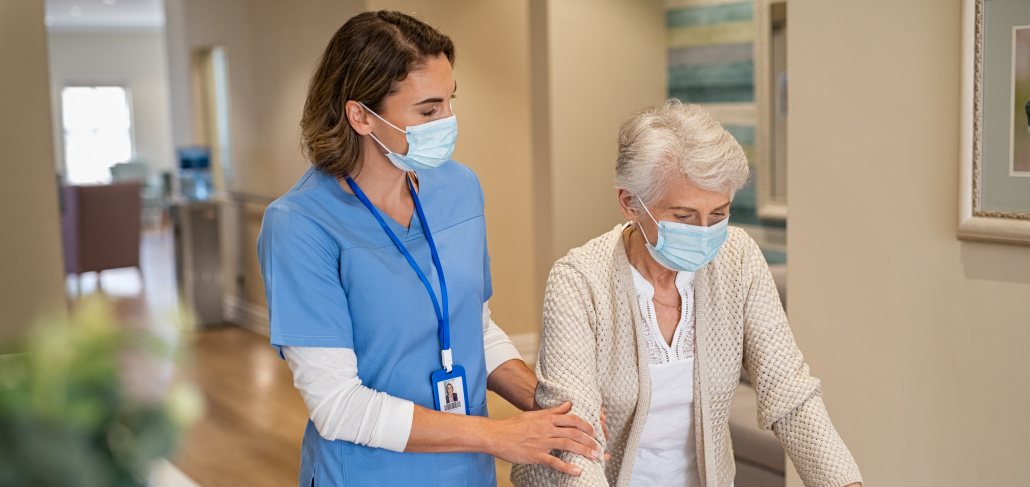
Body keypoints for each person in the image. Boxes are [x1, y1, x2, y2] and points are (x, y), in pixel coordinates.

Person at [257, 11, 601, 487]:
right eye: (428, 110)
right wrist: (496, 436)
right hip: (367, 474)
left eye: (449, 102)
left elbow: (472, 327)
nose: (448, 122)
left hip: (466, 469)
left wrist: (547, 407)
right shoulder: (299, 225)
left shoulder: (458, 187)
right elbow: (337, 406)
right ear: (359, 115)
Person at [511, 100, 863, 487]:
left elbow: (790, 394)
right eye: (683, 216)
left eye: (718, 214)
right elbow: (574, 439)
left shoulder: (739, 259)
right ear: (630, 203)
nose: (704, 232)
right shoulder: (579, 281)